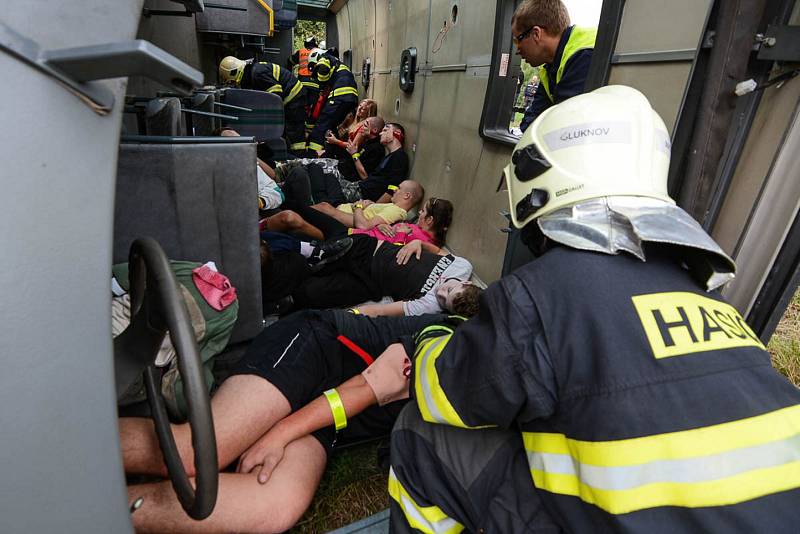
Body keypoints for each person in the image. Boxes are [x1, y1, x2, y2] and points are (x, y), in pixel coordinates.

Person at [387, 85, 800, 533]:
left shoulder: (539, 293)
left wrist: (434, 335)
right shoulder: (704, 293)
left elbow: (441, 394)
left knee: (418, 437)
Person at [121, 307, 479, 533]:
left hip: (330, 421)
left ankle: (107, 514)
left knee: (276, 507)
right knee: (195, 453)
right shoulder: (462, 340)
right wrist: (277, 433)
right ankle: (71, 452)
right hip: (316, 352)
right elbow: (367, 386)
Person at [290, 232, 479, 317]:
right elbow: (436, 250)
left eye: (444, 300)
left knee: (309, 292)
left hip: (368, 283)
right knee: (312, 256)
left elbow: (381, 311)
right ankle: (310, 254)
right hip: (370, 250)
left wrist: (349, 316)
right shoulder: (463, 267)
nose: (440, 293)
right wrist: (418, 244)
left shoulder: (430, 307)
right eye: (449, 289)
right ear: (467, 283)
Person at [513, 0, 596, 132]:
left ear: (536, 34)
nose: (517, 49)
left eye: (517, 40)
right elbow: (532, 119)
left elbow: (562, 129)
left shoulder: (583, 56)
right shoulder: (550, 68)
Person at [262, 179, 424, 243]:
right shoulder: (393, 208)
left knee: (315, 208)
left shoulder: (397, 211)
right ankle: (274, 210)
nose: (395, 190)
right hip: (344, 212)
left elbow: (364, 226)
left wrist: (359, 206)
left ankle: (271, 208)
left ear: (407, 195)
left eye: (399, 188)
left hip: (346, 224)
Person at [218, 56, 308, 154]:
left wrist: (269, 119)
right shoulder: (253, 72)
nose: (233, 84)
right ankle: (293, 154)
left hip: (294, 97)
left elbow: (275, 95)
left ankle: (299, 156)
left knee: (294, 129)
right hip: (291, 97)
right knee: (289, 129)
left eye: (231, 81)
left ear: (234, 72)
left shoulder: (257, 74)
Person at [305, 49, 359, 154]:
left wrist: (321, 85)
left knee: (321, 126)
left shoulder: (325, 57)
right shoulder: (338, 64)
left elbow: (323, 69)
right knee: (331, 126)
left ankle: (311, 154)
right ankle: (333, 152)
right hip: (350, 98)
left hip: (340, 95)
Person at [217, 127, 284, 210]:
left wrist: (261, 202)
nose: (240, 142)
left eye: (240, 139)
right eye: (232, 140)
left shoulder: (251, 163)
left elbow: (277, 193)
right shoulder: (215, 168)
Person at [286, 37, 320, 113]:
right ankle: (310, 121)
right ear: (315, 44)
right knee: (313, 106)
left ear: (305, 44)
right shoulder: (319, 52)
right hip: (315, 84)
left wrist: (290, 76)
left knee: (301, 105)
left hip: (302, 83)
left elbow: (290, 61)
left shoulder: (300, 52)